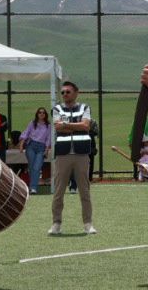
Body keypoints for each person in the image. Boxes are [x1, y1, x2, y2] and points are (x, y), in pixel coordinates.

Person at [50, 80, 95, 235]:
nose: (64, 95)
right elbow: (57, 127)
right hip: (63, 155)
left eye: (68, 92)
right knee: (58, 191)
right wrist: (76, 125)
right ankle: (56, 224)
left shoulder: (85, 107)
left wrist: (66, 125)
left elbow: (86, 126)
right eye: (62, 92)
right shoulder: (56, 108)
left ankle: (88, 224)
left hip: (81, 154)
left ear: (76, 93)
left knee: (84, 191)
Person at [20, 107, 52, 193]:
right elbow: (26, 133)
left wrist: (47, 149)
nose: (41, 114)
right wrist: (21, 144)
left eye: (43, 113)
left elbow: (49, 138)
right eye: (40, 112)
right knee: (31, 166)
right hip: (31, 146)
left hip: (41, 147)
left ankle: (33, 187)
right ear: (37, 114)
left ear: (45, 115)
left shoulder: (48, 126)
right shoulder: (32, 123)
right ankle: (32, 187)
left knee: (37, 167)